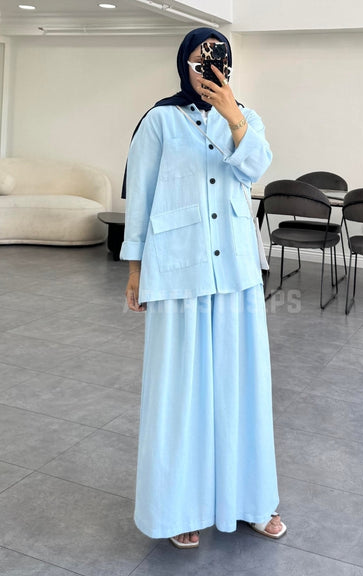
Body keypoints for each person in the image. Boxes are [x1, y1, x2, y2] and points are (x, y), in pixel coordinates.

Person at [120, 27, 286, 549]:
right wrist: (135, 270)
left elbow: (254, 168)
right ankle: (179, 510)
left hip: (236, 270)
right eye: (197, 62)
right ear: (182, 65)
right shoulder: (160, 120)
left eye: (216, 62)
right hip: (178, 268)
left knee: (242, 389)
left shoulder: (247, 118)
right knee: (180, 393)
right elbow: (140, 196)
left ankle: (251, 502)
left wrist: (233, 115)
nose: (206, 71)